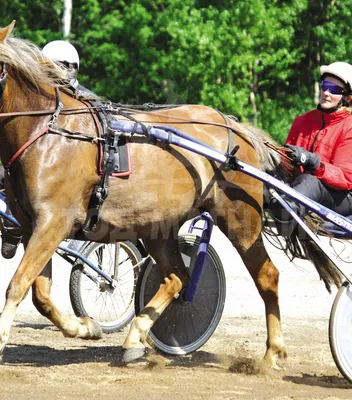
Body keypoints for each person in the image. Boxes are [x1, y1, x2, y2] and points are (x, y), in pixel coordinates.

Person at [0, 41, 95, 259]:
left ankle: (14, 229)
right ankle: (13, 226)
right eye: (57, 66)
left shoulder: (84, 98)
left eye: (66, 66)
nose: (62, 71)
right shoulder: (40, 99)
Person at [271, 61, 352, 237]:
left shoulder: (349, 127)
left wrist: (313, 162)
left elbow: (346, 178)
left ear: (348, 98)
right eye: (325, 86)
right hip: (302, 188)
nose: (326, 93)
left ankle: (285, 212)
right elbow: (285, 161)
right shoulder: (302, 121)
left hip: (340, 198)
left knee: (310, 180)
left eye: (334, 89)